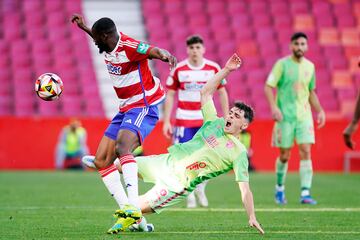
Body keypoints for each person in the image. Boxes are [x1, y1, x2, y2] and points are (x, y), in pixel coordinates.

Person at [84, 54, 264, 235]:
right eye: (231, 113)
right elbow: (205, 92)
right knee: (118, 164)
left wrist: (252, 216)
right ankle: (105, 166)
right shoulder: (215, 122)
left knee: (133, 207)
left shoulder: (239, 153)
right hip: (165, 162)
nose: (231, 116)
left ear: (244, 125)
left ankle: (138, 221)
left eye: (237, 116)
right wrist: (226, 70)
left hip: (177, 184)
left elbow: (245, 189)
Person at [71, 14, 177, 233]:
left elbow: (153, 51)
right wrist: (84, 28)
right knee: (101, 161)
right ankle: (137, 220)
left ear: (106, 36)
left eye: (96, 39)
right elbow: (96, 35)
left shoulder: (131, 46)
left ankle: (133, 207)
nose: (94, 42)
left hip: (143, 106)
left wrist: (166, 56)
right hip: (125, 109)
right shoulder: (107, 44)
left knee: (122, 148)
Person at [163, 35, 229, 208]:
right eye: (191, 48)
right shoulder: (179, 69)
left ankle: (200, 186)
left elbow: (222, 92)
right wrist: (166, 121)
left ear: (203, 49)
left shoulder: (213, 68)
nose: (195, 51)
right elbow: (169, 94)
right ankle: (190, 194)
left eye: (198, 47)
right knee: (182, 159)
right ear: (187, 50)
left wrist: (227, 116)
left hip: (206, 121)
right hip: (184, 121)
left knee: (210, 158)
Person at [264, 32, 326, 205]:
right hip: (284, 116)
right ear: (291, 46)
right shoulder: (282, 65)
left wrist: (320, 111)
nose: (300, 47)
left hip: (304, 116)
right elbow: (269, 87)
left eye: (303, 44)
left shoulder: (310, 67)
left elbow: (311, 91)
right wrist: (274, 107)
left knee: (306, 150)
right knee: (284, 154)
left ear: (307, 46)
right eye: (297, 44)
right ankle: (279, 188)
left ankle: (305, 193)